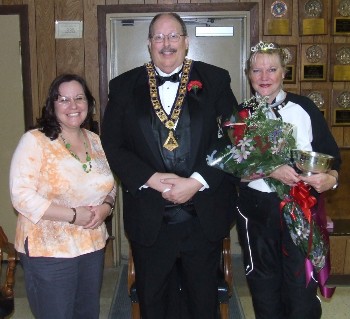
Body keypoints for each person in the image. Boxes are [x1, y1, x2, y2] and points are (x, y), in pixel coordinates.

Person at [101, 12, 238, 319]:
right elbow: (112, 144)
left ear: (186, 42)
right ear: (149, 44)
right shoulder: (123, 86)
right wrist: (150, 178)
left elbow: (233, 138)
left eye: (173, 36)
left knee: (202, 302)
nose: (166, 44)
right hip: (150, 216)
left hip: (202, 215)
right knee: (153, 301)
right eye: (159, 37)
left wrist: (197, 181)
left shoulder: (215, 80)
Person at [236, 41, 341, 319]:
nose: (264, 77)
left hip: (301, 208)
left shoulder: (304, 108)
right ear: (248, 75)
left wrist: (330, 179)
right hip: (256, 212)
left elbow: (332, 158)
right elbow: (232, 168)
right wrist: (270, 170)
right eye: (256, 70)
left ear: (285, 72)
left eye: (272, 69)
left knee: (301, 290)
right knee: (263, 287)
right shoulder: (241, 115)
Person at [9, 74, 116, 319]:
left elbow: (109, 184)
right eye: (64, 99)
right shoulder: (35, 141)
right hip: (49, 250)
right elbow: (21, 196)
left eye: (79, 98)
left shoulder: (95, 140)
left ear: (89, 103)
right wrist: (73, 215)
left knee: (87, 313)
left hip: (91, 245)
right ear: (52, 105)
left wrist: (107, 207)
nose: (73, 106)